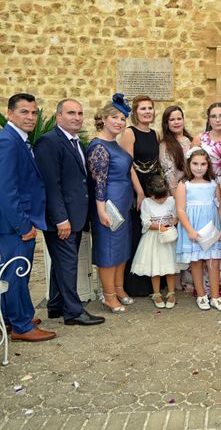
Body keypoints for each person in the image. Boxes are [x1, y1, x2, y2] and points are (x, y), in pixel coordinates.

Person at [34, 98, 104, 326]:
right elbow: (51, 184)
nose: (76, 117)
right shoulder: (49, 142)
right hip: (61, 219)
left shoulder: (76, 142)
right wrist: (61, 219)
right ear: (58, 117)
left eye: (80, 113)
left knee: (62, 263)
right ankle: (73, 312)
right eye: (71, 113)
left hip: (76, 217)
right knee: (68, 263)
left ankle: (55, 306)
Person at [0, 93, 56, 341]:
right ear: (10, 113)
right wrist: (23, 224)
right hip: (13, 225)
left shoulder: (18, 140)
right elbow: (6, 189)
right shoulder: (8, 142)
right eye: (24, 112)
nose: (31, 117)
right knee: (17, 273)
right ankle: (22, 326)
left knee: (11, 273)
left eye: (34, 112)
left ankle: (13, 317)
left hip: (16, 222)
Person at [87, 94, 134, 313]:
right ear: (103, 119)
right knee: (108, 249)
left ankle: (119, 288)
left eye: (123, 119)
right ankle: (108, 296)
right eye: (114, 117)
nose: (119, 122)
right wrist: (101, 210)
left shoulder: (114, 144)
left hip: (123, 202)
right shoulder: (98, 146)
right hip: (109, 205)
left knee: (121, 248)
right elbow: (99, 181)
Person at [175, 147, 221, 312]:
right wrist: (190, 230)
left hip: (212, 228)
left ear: (208, 165)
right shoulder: (184, 185)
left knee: (213, 262)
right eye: (195, 164)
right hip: (194, 229)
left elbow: (220, 208)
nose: (199, 167)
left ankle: (215, 297)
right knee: (196, 262)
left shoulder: (213, 184)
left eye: (203, 164)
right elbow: (181, 209)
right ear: (189, 164)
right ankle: (201, 295)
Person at [119, 95, 160, 297]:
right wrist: (140, 192)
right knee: (137, 233)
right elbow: (128, 165)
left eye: (150, 108)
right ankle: (134, 285)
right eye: (143, 108)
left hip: (153, 188)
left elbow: (156, 163)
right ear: (135, 112)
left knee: (151, 236)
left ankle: (152, 283)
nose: (147, 112)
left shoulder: (155, 133)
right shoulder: (129, 133)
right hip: (137, 188)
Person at [193, 102, 221, 300]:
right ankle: (204, 287)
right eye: (214, 116)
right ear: (208, 119)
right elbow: (189, 163)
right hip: (204, 189)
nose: (218, 119)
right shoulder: (201, 138)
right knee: (205, 233)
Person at [130, 175, 179, 309]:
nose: (161, 200)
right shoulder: (146, 203)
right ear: (150, 194)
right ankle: (156, 293)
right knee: (155, 267)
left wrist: (172, 223)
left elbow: (176, 216)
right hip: (153, 238)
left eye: (163, 197)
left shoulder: (171, 201)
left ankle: (171, 292)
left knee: (170, 266)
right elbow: (145, 222)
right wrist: (158, 227)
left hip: (168, 237)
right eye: (158, 198)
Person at [159, 105, 193, 195]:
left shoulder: (191, 141)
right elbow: (169, 175)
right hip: (176, 193)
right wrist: (176, 197)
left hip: (193, 190)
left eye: (179, 118)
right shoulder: (164, 145)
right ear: (166, 123)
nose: (176, 122)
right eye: (172, 120)